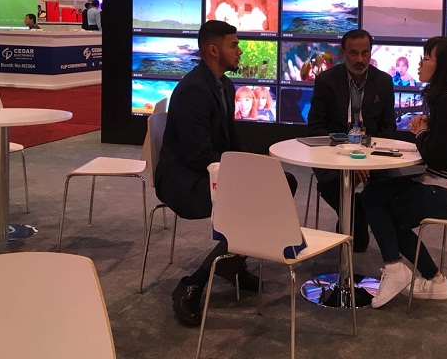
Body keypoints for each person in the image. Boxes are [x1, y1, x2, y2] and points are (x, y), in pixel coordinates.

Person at [155, 20, 298, 327]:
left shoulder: (224, 85)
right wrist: (244, 173)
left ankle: (232, 261)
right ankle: (193, 284)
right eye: (233, 45)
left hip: (213, 171)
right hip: (187, 181)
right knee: (262, 198)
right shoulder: (194, 90)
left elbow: (230, 141)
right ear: (213, 50)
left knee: (282, 182)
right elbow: (197, 155)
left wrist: (252, 166)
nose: (239, 51)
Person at [360, 36, 447, 308]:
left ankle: (402, 270)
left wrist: (421, 132)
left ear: (443, 65)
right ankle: (425, 277)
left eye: (427, 58)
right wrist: (429, 129)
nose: (420, 64)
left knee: (386, 214)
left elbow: (436, 157)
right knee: (373, 195)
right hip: (445, 185)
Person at [307, 29, 397, 252]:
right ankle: (358, 213)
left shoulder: (383, 81)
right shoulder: (326, 81)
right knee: (330, 183)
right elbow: (316, 127)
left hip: (372, 156)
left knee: (393, 184)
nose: (360, 59)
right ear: (343, 53)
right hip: (333, 155)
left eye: (365, 53)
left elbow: (388, 129)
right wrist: (348, 157)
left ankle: (360, 212)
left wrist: (365, 160)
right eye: (354, 53)